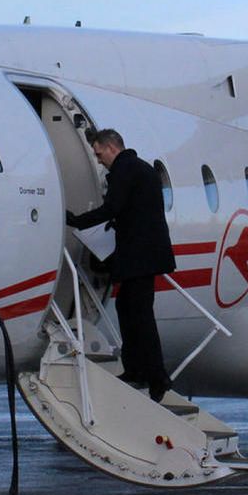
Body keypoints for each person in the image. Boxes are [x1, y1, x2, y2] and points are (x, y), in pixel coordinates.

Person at [67, 129, 176, 401]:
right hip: (145, 256)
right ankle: (137, 370)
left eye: (99, 153)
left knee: (138, 316)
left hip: (139, 257)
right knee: (129, 309)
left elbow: (112, 208)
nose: (99, 159)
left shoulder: (125, 170)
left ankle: (156, 376)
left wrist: (77, 220)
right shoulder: (141, 169)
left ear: (111, 147)